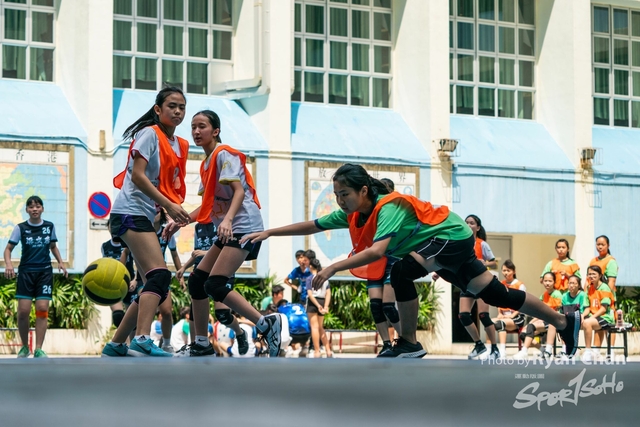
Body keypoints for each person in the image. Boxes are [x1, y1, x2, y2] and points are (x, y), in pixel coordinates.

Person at [241, 163, 583, 358]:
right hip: (445, 244)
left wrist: (331, 267)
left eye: (345, 194)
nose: (340, 201)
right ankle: (564, 321)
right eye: (336, 195)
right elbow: (313, 224)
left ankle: (408, 342)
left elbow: (377, 252)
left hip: (451, 235)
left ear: (363, 190)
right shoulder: (353, 214)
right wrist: (269, 232)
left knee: (402, 272)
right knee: (497, 295)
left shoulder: (388, 206)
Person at [165, 109, 281, 358]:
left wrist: (227, 220)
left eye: (202, 126)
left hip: (244, 226)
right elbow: (208, 206)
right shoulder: (206, 164)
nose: (196, 131)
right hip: (229, 229)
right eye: (193, 127)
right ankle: (202, 344)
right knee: (197, 281)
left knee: (215, 284)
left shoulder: (224, 154)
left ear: (215, 131)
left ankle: (266, 323)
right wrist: (180, 222)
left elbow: (239, 191)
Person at [101, 86, 191, 357]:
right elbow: (138, 176)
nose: (177, 111)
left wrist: (169, 211)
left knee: (151, 285)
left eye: (182, 107)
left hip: (144, 215)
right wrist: (168, 205)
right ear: (158, 109)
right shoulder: (149, 133)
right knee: (159, 276)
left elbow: (163, 185)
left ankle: (117, 344)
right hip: (130, 212)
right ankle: (141, 338)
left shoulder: (176, 144)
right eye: (172, 106)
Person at [3, 195, 67, 358]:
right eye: (31, 207)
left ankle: (38, 348)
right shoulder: (20, 228)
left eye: (37, 206)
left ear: (42, 209)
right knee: (23, 311)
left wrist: (60, 262)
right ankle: (25, 347)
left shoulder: (49, 226)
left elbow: (53, 246)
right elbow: (8, 249)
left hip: (44, 272)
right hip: (26, 273)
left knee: (42, 309)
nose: (34, 209)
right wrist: (9, 264)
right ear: (27, 210)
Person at [457, 214, 499, 360]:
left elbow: (494, 263)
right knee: (463, 315)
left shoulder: (482, 244)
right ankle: (479, 344)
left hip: (481, 283)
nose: (469, 225)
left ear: (478, 227)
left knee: (483, 316)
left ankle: (494, 348)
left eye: (472, 223)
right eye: (466, 223)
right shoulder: (460, 243)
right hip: (466, 283)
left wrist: (484, 263)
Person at [513, 272, 562, 359]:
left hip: (552, 322)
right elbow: (539, 313)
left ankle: (524, 351)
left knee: (531, 327)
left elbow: (558, 312)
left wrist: (539, 321)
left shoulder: (557, 294)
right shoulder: (543, 295)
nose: (547, 283)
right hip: (543, 321)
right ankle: (542, 350)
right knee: (524, 333)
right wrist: (530, 322)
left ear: (554, 282)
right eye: (545, 281)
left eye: (550, 281)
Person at [101, 231, 136, 329]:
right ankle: (122, 338)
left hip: (129, 283)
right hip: (113, 284)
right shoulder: (105, 246)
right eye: (112, 225)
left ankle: (132, 338)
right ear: (108, 227)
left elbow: (139, 262)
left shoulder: (130, 244)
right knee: (118, 316)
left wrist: (135, 280)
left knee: (133, 320)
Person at [491, 260, 526, 358]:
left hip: (517, 317)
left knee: (500, 323)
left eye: (508, 270)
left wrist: (512, 315)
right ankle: (491, 349)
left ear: (514, 271)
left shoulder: (520, 285)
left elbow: (522, 304)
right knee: (489, 323)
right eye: (504, 270)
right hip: (504, 316)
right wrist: (500, 313)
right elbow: (498, 302)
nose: (506, 273)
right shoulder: (501, 284)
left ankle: (502, 351)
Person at [589, 235, 619, 348]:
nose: (600, 247)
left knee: (609, 324)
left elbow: (611, 281)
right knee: (597, 322)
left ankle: (611, 350)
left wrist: (605, 295)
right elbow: (588, 279)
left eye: (603, 244)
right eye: (598, 244)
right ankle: (596, 350)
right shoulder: (593, 260)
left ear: (608, 245)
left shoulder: (611, 261)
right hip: (594, 297)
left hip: (606, 297)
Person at [582, 265, 615, 362]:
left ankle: (588, 351)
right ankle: (569, 350)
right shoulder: (589, 288)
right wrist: (582, 316)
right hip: (594, 316)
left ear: (600, 275)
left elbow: (603, 309)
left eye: (594, 274)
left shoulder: (604, 287)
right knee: (576, 321)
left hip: (605, 317)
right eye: (589, 274)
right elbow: (587, 308)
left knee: (587, 323)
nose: (591, 276)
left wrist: (591, 318)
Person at [305, 258, 334, 358]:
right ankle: (328, 350)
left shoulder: (310, 278)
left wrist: (317, 305)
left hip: (313, 303)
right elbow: (328, 293)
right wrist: (325, 306)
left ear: (311, 266)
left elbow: (310, 294)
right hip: (322, 300)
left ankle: (317, 351)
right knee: (321, 327)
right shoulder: (324, 278)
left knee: (314, 327)